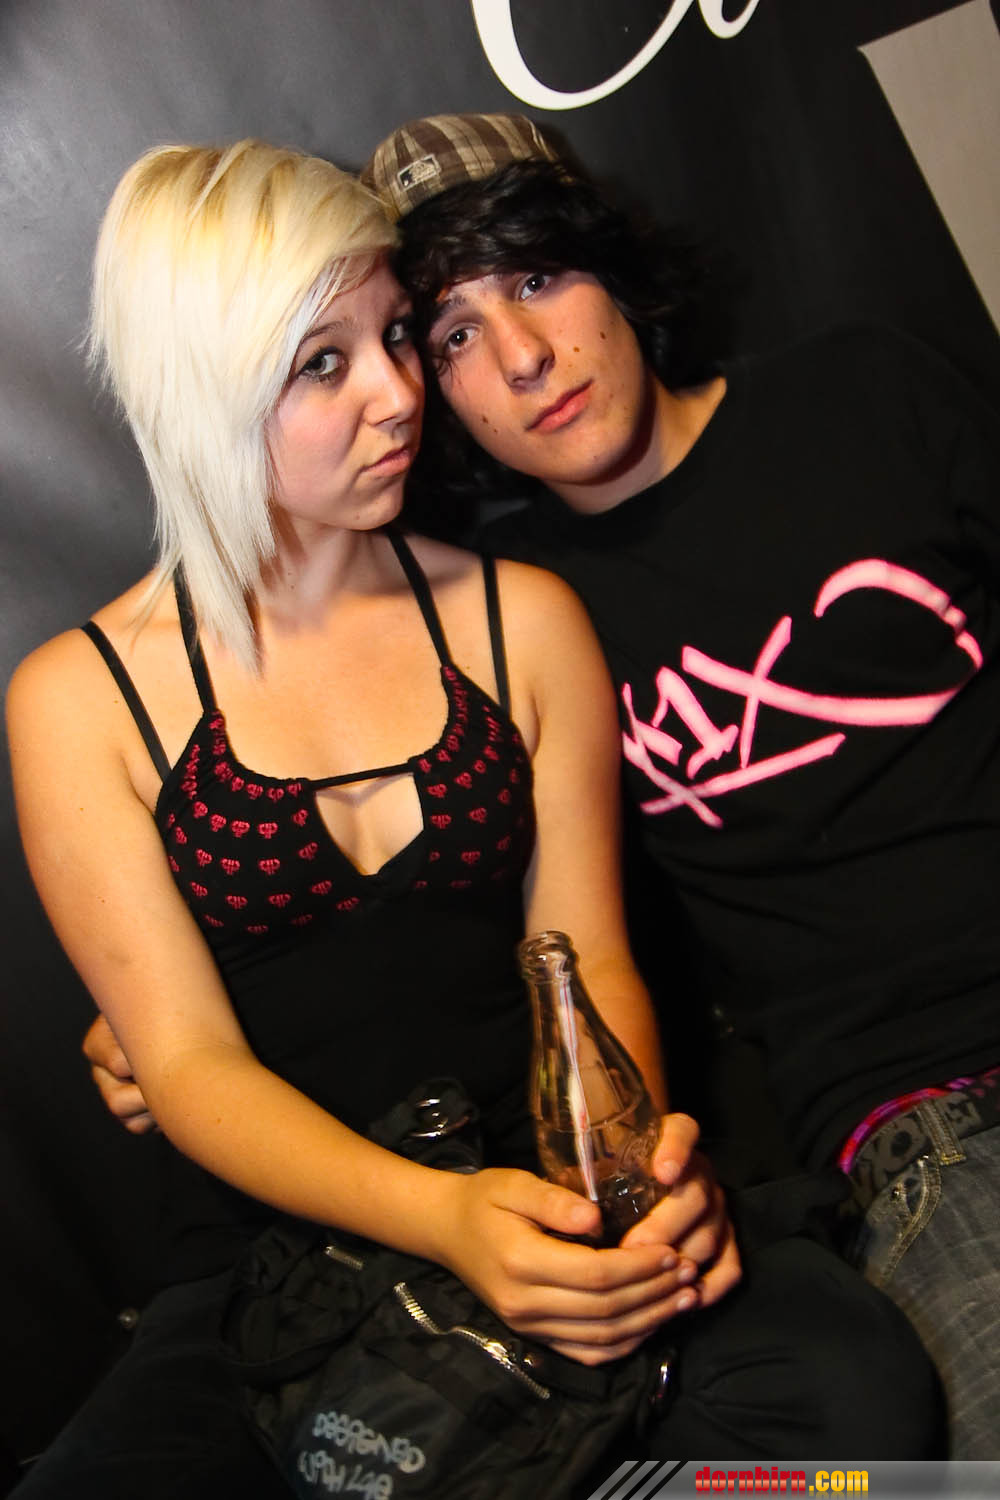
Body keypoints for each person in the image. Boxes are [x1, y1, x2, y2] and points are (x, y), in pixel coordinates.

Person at [53, 135, 944, 1479]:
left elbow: (583, 964)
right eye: (323, 364)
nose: (399, 393)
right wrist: (445, 1221)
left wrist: (626, 1184)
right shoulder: (81, 696)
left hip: (540, 1179)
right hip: (270, 1256)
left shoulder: (521, 615)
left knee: (849, 1403)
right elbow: (184, 1067)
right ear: (201, 387)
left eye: (395, 338)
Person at [350, 112, 1000, 1459]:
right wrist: (174, 1016)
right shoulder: (510, 620)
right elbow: (390, 882)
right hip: (927, 1120)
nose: (522, 358)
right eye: (456, 334)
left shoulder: (865, 393)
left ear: (612, 267)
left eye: (537, 278)